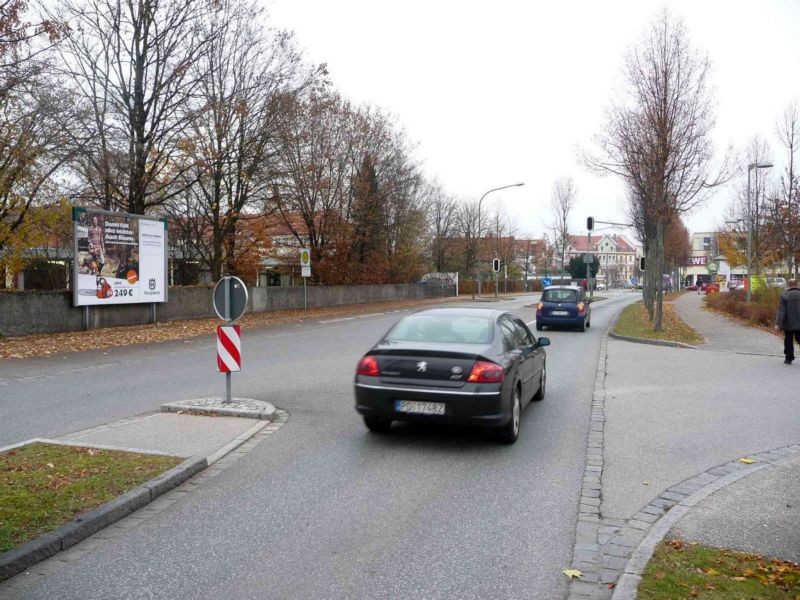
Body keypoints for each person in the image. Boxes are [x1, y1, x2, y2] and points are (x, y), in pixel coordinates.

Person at [775, 278, 800, 365]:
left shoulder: (784, 295)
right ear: (797, 284)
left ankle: (789, 359)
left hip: (788, 323)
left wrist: (778, 324)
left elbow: (782, 311)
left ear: (789, 285)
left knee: (788, 340)